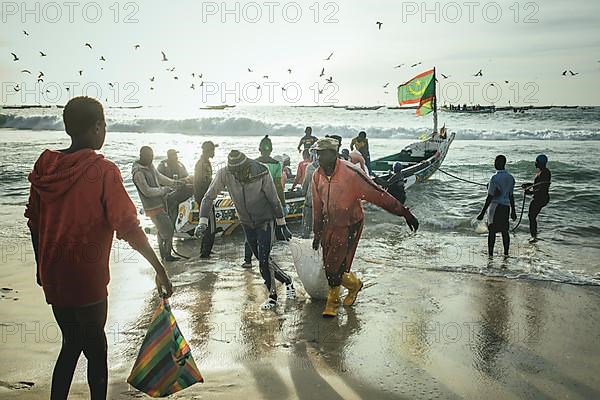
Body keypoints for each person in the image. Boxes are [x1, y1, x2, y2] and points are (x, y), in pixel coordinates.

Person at [25, 96, 173, 400]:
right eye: (103, 125)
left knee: (71, 343)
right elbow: (128, 226)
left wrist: (41, 266)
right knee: (97, 350)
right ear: (96, 128)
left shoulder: (45, 166)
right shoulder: (103, 170)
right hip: (86, 276)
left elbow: (34, 223)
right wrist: (160, 270)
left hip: (54, 274)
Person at [311, 138, 419, 318]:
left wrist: (405, 213)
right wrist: (317, 233)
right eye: (317, 153)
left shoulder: (351, 174)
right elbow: (317, 206)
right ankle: (354, 285)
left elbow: (379, 195)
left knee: (335, 265)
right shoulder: (317, 175)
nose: (318, 157)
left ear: (333, 153)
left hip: (350, 224)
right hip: (330, 223)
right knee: (329, 265)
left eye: (322, 153)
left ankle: (332, 303)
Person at [196, 150, 295, 309]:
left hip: (265, 221)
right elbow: (208, 197)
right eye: (234, 173)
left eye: (240, 172)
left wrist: (282, 224)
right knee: (263, 260)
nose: (237, 176)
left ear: (247, 166)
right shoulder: (225, 173)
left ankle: (273, 296)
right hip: (246, 223)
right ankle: (288, 280)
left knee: (264, 260)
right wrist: (203, 221)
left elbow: (274, 199)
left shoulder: (261, 171)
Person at [242, 135, 287, 268]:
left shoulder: (251, 164)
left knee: (249, 232)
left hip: (252, 203)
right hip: (269, 204)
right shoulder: (276, 164)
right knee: (267, 233)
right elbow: (278, 187)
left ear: (259, 149)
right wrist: (282, 205)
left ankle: (248, 260)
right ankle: (265, 259)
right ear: (271, 149)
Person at [132, 146, 181, 261]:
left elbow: (159, 177)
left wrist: (174, 183)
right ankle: (166, 255)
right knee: (168, 230)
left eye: (152, 156)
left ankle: (165, 254)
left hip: (160, 203)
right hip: (152, 207)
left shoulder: (149, 166)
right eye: (149, 157)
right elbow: (147, 191)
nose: (151, 159)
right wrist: (163, 190)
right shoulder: (138, 173)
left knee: (161, 230)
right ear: (141, 156)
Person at [477, 155, 517, 257]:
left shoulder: (494, 178)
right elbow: (511, 196)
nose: (494, 163)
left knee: (492, 231)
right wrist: (513, 211)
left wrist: (482, 212)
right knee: (505, 231)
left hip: (495, 207)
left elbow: (490, 197)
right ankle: (506, 254)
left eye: (495, 161)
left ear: (499, 163)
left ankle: (490, 254)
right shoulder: (511, 178)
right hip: (506, 207)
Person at [194, 141, 219, 258]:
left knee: (207, 224)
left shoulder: (203, 162)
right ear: (208, 151)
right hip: (206, 198)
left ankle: (205, 249)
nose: (214, 152)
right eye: (212, 150)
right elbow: (204, 182)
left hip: (203, 197)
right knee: (211, 226)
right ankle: (205, 252)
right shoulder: (203, 164)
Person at [521, 154, 551, 242]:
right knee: (532, 216)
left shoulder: (545, 172)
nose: (535, 163)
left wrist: (530, 192)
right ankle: (534, 235)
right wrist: (528, 185)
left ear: (540, 162)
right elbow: (538, 184)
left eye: (536, 161)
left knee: (531, 216)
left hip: (541, 198)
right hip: (539, 197)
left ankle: (534, 236)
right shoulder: (541, 172)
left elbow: (542, 188)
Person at [301, 147, 319, 238]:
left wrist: (302, 192)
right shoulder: (331, 167)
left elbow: (305, 184)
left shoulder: (311, 167)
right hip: (324, 203)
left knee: (306, 226)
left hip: (310, 201)